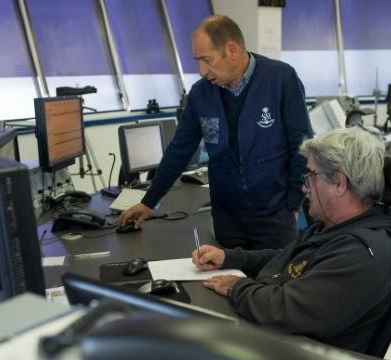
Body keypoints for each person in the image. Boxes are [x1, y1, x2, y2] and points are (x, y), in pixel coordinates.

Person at [191, 127, 391, 353]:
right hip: (277, 337)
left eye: (310, 176)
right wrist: (229, 257)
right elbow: (286, 259)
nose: (304, 187)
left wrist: (236, 286)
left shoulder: (360, 253)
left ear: (339, 183)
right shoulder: (333, 227)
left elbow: (284, 309)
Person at [118, 15, 312, 250]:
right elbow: (179, 150)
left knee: (273, 283)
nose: (201, 71)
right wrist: (149, 201)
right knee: (229, 282)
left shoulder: (280, 79)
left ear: (232, 50)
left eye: (206, 60)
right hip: (227, 218)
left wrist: (293, 204)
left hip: (273, 216)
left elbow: (302, 148)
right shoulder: (201, 94)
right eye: (197, 61)